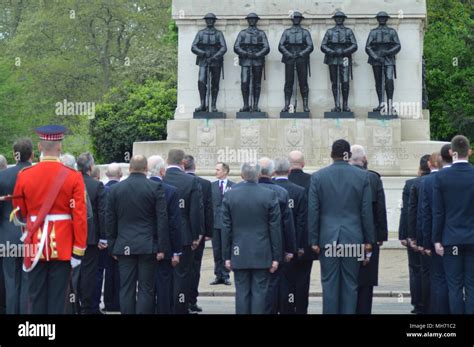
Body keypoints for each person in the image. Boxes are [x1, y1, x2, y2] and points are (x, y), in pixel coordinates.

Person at [12, 125, 87, 314]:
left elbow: (19, 212)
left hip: (34, 244)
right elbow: (79, 216)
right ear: (60, 146)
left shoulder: (24, 176)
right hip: (62, 245)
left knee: (35, 297)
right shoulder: (73, 176)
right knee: (58, 299)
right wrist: (78, 250)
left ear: (39, 147)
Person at [308, 139, 374, 314]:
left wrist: (313, 239)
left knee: (329, 284)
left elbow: (313, 211)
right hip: (353, 238)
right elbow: (366, 211)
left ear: (331, 154)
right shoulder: (362, 176)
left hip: (328, 239)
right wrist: (369, 240)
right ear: (349, 155)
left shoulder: (318, 177)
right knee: (350, 284)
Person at [106, 155, 170, 314]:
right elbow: (162, 219)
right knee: (146, 288)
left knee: (126, 287)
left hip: (124, 245)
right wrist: (162, 247)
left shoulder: (115, 189)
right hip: (147, 245)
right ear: (146, 169)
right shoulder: (155, 188)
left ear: (129, 168)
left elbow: (110, 220)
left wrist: (112, 246)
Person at [222, 162, 282, 314]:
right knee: (260, 294)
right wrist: (276, 257)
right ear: (259, 175)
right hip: (262, 251)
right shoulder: (269, 194)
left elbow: (226, 228)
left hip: (238, 251)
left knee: (241, 294)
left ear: (242, 175)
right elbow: (275, 228)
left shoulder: (230, 195)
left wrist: (226, 256)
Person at [433, 135, 474, 314]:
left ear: (451, 152)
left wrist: (436, 240)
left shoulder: (441, 177)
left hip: (451, 240)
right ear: (470, 152)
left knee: (454, 287)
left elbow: (438, 212)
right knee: (472, 286)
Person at [163, 149, 203, 314]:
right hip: (185, 234)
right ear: (183, 163)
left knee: (164, 273)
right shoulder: (190, 181)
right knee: (182, 274)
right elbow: (195, 211)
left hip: (163, 233)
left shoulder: (161, 178)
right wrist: (195, 236)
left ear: (167, 160)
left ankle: (165, 307)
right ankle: (180, 308)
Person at [349, 145, 388, 314]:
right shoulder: (373, 178)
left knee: (348, 281)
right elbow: (380, 209)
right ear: (364, 159)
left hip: (347, 236)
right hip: (369, 236)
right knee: (366, 283)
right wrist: (380, 236)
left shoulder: (341, 177)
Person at [258, 157, 296, 314]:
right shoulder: (281, 192)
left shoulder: (241, 191)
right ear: (272, 172)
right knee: (272, 286)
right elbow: (287, 224)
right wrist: (289, 249)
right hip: (275, 247)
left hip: (250, 249)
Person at [0, 138, 33, 314]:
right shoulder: (36, 175)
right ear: (32, 154)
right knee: (28, 280)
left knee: (10, 281)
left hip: (7, 236)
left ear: (14, 155)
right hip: (31, 234)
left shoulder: (2, 176)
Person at [148, 155, 182, 314]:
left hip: (142, 245)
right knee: (163, 285)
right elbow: (174, 224)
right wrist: (176, 251)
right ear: (162, 171)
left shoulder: (140, 188)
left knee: (145, 286)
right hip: (165, 245)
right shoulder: (171, 191)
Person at [273, 157, 306, 314]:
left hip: (271, 246)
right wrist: (296, 247)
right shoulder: (299, 191)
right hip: (291, 246)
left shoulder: (268, 190)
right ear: (289, 171)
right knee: (292, 283)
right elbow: (300, 222)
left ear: (274, 171)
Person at [421, 147, 450, 314]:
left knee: (439, 280)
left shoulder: (428, 181)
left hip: (438, 239)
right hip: (460, 238)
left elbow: (426, 215)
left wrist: (428, 242)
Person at [77, 153, 106, 314]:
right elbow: (102, 213)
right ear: (91, 167)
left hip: (73, 235)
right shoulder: (97, 186)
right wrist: (103, 237)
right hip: (90, 237)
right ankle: (87, 307)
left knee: (75, 271)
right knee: (89, 273)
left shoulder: (70, 182)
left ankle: (75, 304)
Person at [183, 155, 213, 314]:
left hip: (179, 235)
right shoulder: (205, 184)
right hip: (198, 234)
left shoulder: (172, 180)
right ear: (194, 166)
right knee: (194, 269)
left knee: (180, 270)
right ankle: (191, 301)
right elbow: (208, 210)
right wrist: (207, 232)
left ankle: (180, 301)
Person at [287, 150, 315, 314]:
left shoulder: (281, 183)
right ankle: (302, 310)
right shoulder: (312, 180)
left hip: (286, 241)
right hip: (306, 240)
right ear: (303, 164)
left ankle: (288, 309)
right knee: (303, 280)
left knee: (287, 280)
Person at [96, 163, 123, 313]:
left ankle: (108, 302)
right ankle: (117, 302)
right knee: (118, 270)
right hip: (120, 237)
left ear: (106, 175)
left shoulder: (103, 190)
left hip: (105, 237)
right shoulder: (122, 190)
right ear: (120, 174)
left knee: (106, 270)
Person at [320, 11, 358, 112]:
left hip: (345, 58)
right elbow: (323, 45)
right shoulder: (329, 32)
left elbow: (354, 45)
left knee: (345, 81)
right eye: (337, 18)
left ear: (343, 19)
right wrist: (332, 52)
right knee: (335, 82)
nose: (339, 19)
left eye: (341, 18)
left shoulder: (348, 31)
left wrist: (344, 51)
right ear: (335, 19)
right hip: (332, 58)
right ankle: (337, 104)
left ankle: (345, 105)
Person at [407, 154, 431, 314]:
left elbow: (409, 212)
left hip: (418, 233)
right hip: (436, 236)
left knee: (417, 270)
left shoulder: (412, 183)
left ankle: (419, 304)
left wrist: (409, 236)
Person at [365, 11, 401, 114]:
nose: (382, 19)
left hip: (388, 59)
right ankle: (381, 103)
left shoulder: (392, 32)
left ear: (386, 19)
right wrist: (376, 57)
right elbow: (368, 47)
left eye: (384, 18)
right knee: (378, 82)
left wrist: (388, 52)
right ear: (377, 19)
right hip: (376, 60)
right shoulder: (373, 32)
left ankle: (389, 104)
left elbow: (397, 45)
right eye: (380, 18)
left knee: (389, 80)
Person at [234, 13, 270, 112]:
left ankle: (255, 105)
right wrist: (245, 53)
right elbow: (236, 47)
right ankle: (246, 104)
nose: (252, 21)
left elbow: (266, 48)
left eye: (254, 19)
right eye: (250, 19)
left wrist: (257, 54)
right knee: (244, 82)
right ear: (248, 21)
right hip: (245, 61)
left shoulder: (261, 33)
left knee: (257, 83)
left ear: (256, 21)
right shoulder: (242, 33)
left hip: (257, 61)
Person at [191, 13, 227, 113]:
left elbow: (224, 48)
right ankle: (202, 104)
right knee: (201, 81)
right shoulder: (200, 33)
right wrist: (203, 53)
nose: (210, 21)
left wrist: (214, 57)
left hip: (215, 62)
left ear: (214, 21)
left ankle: (213, 105)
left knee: (215, 83)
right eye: (208, 19)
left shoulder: (219, 33)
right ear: (205, 21)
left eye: (212, 20)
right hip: (203, 61)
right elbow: (193, 47)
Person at [278, 11, 314, 112]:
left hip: (301, 59)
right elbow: (281, 45)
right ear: (292, 19)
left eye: (298, 18)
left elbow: (310, 46)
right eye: (295, 18)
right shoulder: (287, 32)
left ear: (301, 19)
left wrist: (301, 54)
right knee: (288, 83)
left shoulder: (305, 32)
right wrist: (289, 54)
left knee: (303, 82)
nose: (296, 20)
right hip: (289, 60)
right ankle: (286, 105)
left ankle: (305, 106)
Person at [210, 162, 234, 285]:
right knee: (216, 250)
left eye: (218, 170)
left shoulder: (233, 186)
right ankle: (218, 275)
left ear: (225, 171)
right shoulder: (211, 186)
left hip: (227, 223)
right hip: (215, 224)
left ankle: (225, 275)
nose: (216, 172)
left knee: (226, 249)